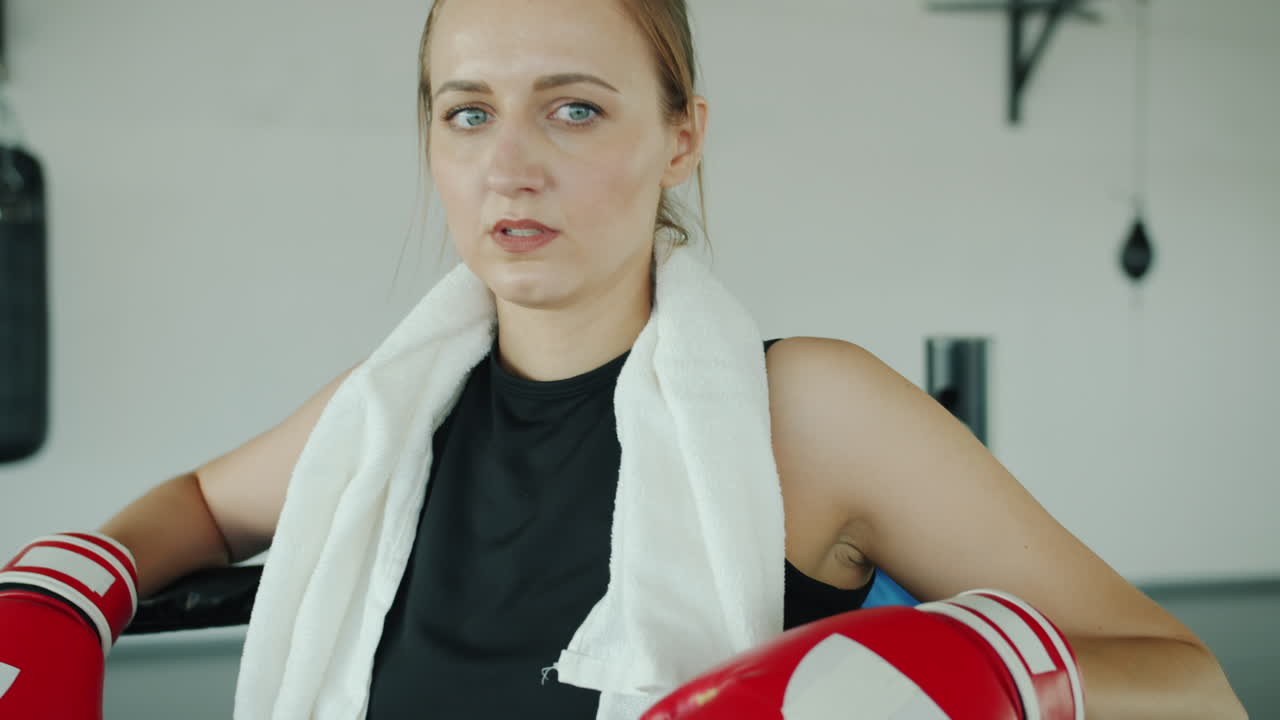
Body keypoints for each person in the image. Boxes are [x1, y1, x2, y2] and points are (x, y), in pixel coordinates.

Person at [0, 0, 1248, 718]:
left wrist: (972, 671)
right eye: (468, 112)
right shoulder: (387, 414)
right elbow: (200, 505)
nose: (510, 167)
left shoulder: (806, 412)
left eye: (575, 108)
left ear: (680, 137)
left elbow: (1191, 686)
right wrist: (69, 587)